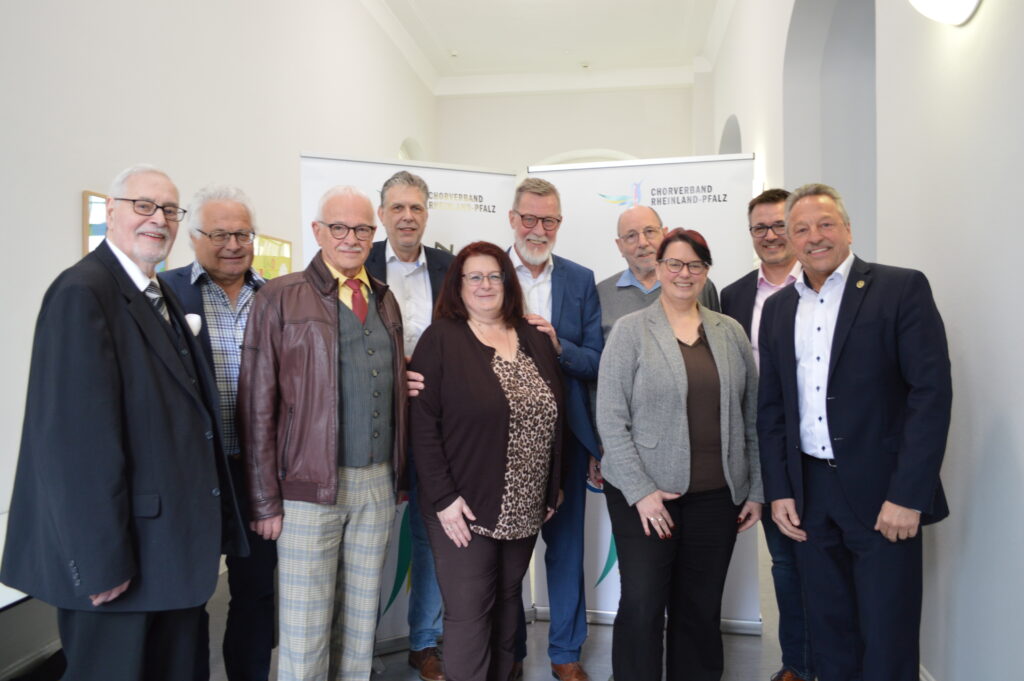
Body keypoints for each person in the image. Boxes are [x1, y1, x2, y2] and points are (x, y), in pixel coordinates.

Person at [0, 164, 248, 680]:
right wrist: (100, 562)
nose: (158, 219)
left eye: (169, 210)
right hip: (122, 565)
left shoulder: (155, 293)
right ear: (110, 211)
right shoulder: (82, 293)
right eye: (143, 206)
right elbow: (73, 447)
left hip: (170, 559)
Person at [757, 183, 952, 681]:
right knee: (828, 633)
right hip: (810, 495)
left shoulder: (900, 288)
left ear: (847, 228)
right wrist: (779, 490)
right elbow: (773, 409)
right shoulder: (779, 310)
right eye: (800, 228)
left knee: (888, 636)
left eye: (825, 224)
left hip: (884, 495)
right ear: (790, 240)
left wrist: (909, 494)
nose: (814, 237)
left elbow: (929, 395)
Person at [237, 185, 409, 681]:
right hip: (308, 488)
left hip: (376, 484)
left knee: (358, 629)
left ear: (372, 234)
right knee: (306, 629)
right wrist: (265, 500)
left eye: (361, 229)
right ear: (318, 231)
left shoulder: (384, 298)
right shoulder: (279, 297)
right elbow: (257, 405)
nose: (351, 238)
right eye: (339, 227)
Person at [596, 228, 762, 681]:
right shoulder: (632, 331)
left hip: (717, 495)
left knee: (701, 608)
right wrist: (641, 492)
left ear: (706, 271)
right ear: (659, 267)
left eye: (694, 265)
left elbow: (751, 416)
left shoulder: (729, 332)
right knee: (644, 603)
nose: (683, 273)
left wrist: (755, 489)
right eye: (674, 264)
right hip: (647, 497)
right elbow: (610, 418)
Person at [409, 241, 565, 681]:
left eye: (494, 276)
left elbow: (556, 412)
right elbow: (423, 426)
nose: (485, 285)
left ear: (508, 282)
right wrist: (443, 498)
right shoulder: (441, 339)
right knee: (469, 611)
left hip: (525, 503)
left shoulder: (533, 336)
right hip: (463, 506)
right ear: (457, 286)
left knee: (507, 602)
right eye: (474, 276)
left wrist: (552, 485)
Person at [160, 185, 274, 681]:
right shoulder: (163, 293)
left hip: (259, 475)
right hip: (192, 476)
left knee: (256, 592)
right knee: (189, 594)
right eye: (220, 234)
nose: (233, 244)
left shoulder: (276, 296)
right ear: (194, 238)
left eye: (243, 234)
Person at [507, 178, 602, 681]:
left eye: (549, 221)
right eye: (529, 218)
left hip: (563, 439)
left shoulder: (581, 280)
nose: (538, 229)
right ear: (512, 219)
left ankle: (565, 652)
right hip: (499, 444)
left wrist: (556, 342)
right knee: (508, 556)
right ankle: (512, 649)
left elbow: (596, 360)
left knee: (565, 553)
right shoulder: (485, 273)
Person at [720, 188, 812, 681]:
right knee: (785, 562)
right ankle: (797, 663)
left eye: (780, 225)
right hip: (767, 449)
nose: (771, 236)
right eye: (761, 228)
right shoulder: (732, 296)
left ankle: (839, 661)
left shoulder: (824, 285)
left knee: (829, 561)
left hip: (824, 447)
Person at [365, 171, 453, 681]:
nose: (406, 217)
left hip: (434, 424)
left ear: (426, 214)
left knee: (429, 533)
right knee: (367, 537)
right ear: (381, 214)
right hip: (373, 422)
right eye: (397, 208)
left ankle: (423, 643)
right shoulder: (359, 261)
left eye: (416, 208)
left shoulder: (448, 266)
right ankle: (362, 645)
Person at [596, 204, 721, 340]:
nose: (642, 243)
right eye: (631, 236)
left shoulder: (695, 285)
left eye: (649, 231)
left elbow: (718, 339)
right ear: (620, 246)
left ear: (665, 235)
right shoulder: (602, 294)